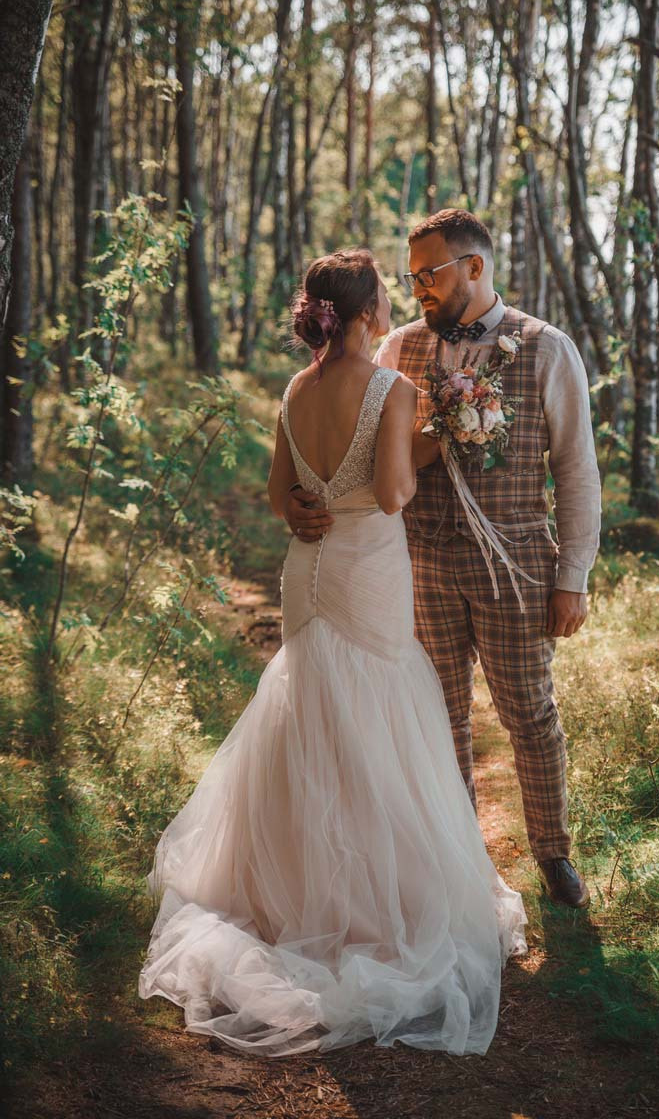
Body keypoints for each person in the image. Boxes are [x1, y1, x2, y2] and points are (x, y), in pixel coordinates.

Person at [139, 248, 527, 1058]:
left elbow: (283, 491)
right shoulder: (393, 388)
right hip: (364, 565)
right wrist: (436, 433)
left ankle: (286, 895)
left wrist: (320, 499)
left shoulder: (295, 388)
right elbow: (390, 494)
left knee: (309, 701)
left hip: (306, 570)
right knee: (376, 711)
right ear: (363, 313)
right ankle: (371, 906)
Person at [285, 212, 602, 908]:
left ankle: (552, 853)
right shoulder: (396, 347)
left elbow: (576, 470)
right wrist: (308, 501)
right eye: (411, 276)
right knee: (438, 715)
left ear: (474, 268)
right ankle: (458, 853)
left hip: (515, 564)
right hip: (416, 560)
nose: (417, 288)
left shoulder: (547, 350)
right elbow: (355, 444)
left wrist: (571, 577)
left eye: (429, 273)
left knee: (529, 714)